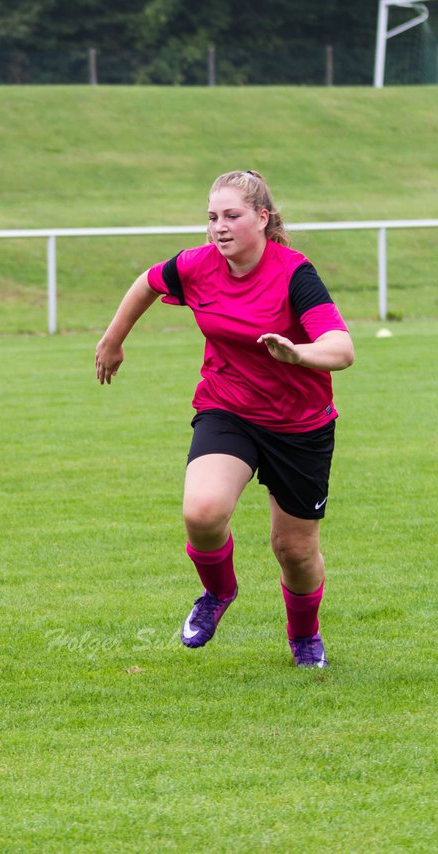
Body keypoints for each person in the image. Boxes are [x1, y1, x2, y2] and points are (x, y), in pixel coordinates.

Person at [95, 170, 354, 669]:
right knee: (203, 512)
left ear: (262, 218)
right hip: (227, 406)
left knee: (294, 551)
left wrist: (297, 354)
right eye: (212, 217)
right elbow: (147, 283)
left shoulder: (294, 273)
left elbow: (342, 349)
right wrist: (113, 340)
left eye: (232, 216)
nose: (219, 227)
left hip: (299, 425)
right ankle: (218, 593)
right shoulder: (197, 265)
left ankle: (304, 636)